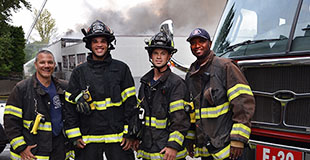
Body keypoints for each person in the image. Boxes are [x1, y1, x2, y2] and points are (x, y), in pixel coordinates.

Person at [64, 20, 137, 160]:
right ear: (89, 44)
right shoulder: (79, 72)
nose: (99, 45)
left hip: (117, 139)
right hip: (88, 140)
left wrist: (129, 134)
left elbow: (131, 105)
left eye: (103, 41)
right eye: (95, 41)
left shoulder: (121, 69)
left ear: (108, 44)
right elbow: (69, 107)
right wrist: (75, 136)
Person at [185, 28, 255, 160]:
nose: (197, 46)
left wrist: (238, 139)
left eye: (201, 41)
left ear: (210, 44)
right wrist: (190, 139)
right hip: (206, 149)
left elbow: (243, 103)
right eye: (193, 43)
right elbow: (191, 111)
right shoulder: (191, 75)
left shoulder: (225, 67)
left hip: (229, 148)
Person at [135, 31, 191, 160]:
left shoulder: (176, 84)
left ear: (169, 56)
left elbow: (180, 119)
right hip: (148, 151)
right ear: (150, 55)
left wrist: (173, 145)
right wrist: (135, 136)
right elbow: (140, 114)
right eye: (155, 53)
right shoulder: (145, 83)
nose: (159, 57)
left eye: (163, 53)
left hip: (168, 152)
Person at [4, 50, 70, 160]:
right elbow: (11, 121)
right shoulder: (22, 89)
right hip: (33, 151)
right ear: (35, 65)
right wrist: (21, 148)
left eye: (50, 62)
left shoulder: (64, 87)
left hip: (59, 149)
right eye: (42, 62)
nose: (46, 66)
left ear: (54, 64)